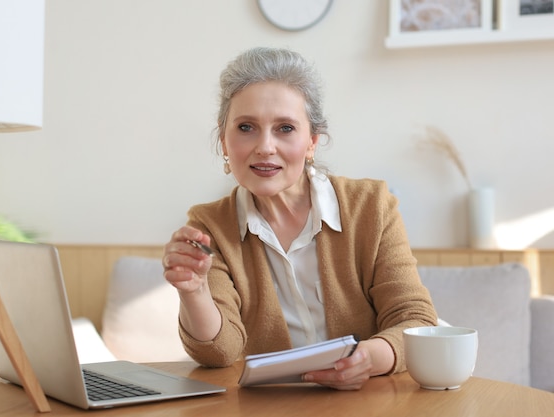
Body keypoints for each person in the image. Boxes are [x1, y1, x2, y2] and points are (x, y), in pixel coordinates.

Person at [162, 47, 437, 391]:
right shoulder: (209, 226)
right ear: (224, 141)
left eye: (285, 128)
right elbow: (220, 353)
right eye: (246, 127)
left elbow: (414, 319)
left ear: (312, 142)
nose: (264, 146)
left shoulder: (372, 206)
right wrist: (195, 291)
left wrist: (367, 359)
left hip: (369, 403)